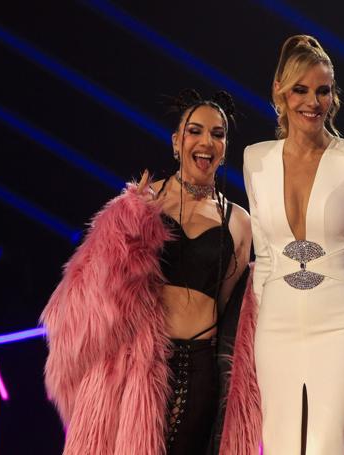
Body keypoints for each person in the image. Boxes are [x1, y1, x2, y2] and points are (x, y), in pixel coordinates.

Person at [40, 89, 260, 455]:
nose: (206, 141)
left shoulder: (239, 222)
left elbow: (227, 308)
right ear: (177, 142)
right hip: (141, 367)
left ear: (224, 148)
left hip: (201, 373)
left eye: (218, 134)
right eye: (195, 131)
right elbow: (95, 294)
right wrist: (128, 229)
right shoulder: (143, 203)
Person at [243, 35, 344, 454]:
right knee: (281, 445)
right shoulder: (255, 159)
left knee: (330, 445)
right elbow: (263, 257)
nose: (312, 102)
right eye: (300, 89)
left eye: (323, 91)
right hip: (276, 328)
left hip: (342, 323)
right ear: (279, 93)